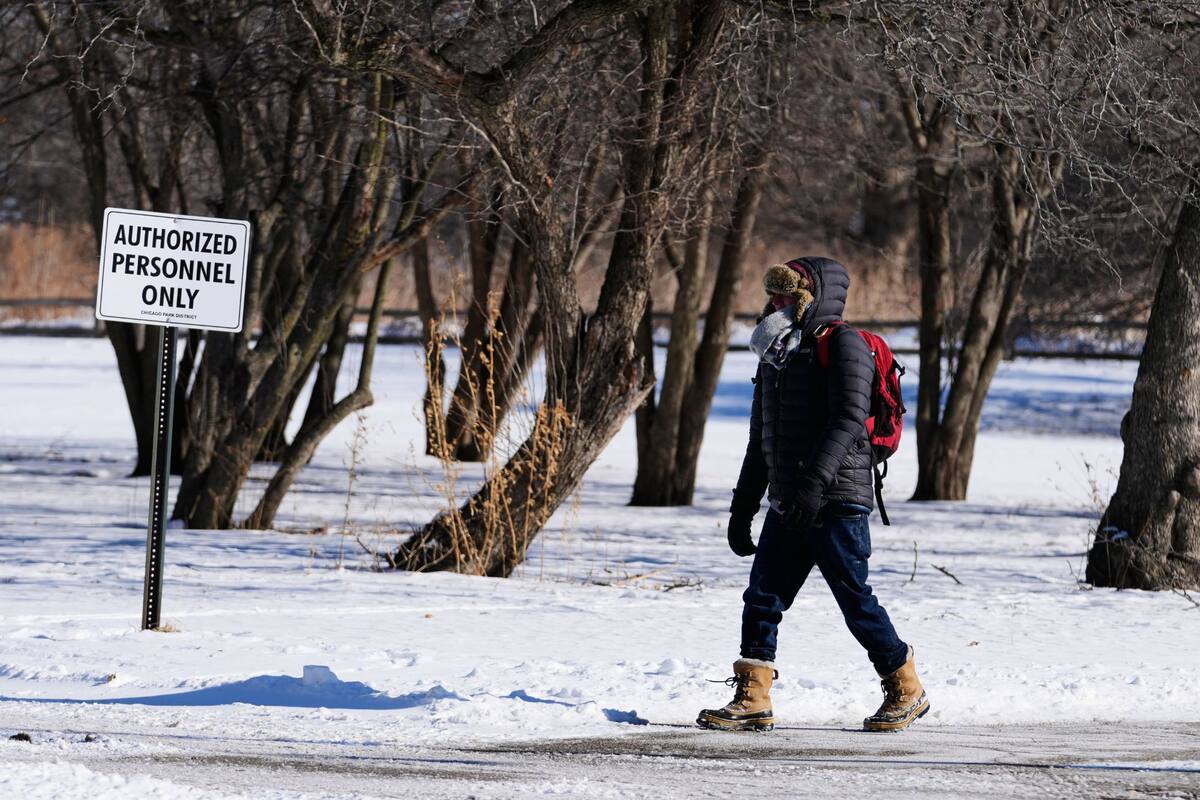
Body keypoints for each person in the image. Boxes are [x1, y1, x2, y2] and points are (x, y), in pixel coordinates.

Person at [696, 257, 928, 733]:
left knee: (853, 598)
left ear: (812, 298)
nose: (777, 304)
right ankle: (753, 697)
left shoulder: (844, 344)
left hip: (837, 497)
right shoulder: (775, 354)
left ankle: (906, 686)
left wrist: (813, 486)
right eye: (773, 296)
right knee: (762, 597)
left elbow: (848, 419)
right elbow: (760, 438)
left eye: (787, 296)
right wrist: (743, 508)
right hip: (789, 500)